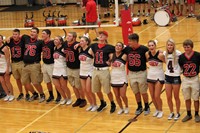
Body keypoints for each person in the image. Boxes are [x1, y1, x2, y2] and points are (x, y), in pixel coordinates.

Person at [88, 31, 116, 113]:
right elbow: (91, 53)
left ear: (106, 37)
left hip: (104, 70)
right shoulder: (93, 46)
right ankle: (102, 102)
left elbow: (118, 51)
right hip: (95, 69)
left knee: (107, 90)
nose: (100, 36)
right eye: (100, 34)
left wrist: (110, 60)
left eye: (103, 35)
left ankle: (112, 103)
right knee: (96, 89)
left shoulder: (109, 47)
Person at [123, 33, 150, 116]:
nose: (129, 43)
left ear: (135, 41)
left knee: (143, 92)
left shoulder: (144, 49)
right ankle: (139, 106)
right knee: (136, 91)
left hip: (141, 73)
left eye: (130, 41)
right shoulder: (127, 49)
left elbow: (148, 59)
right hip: (131, 73)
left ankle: (147, 106)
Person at [21, 27, 45, 103]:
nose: (32, 33)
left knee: (35, 82)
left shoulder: (40, 42)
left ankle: (42, 94)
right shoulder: (26, 38)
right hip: (25, 65)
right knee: (24, 82)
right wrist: (9, 37)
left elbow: (48, 43)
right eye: (31, 31)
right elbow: (18, 35)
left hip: (35, 65)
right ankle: (35, 94)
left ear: (37, 34)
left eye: (34, 32)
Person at [178, 39, 200, 122]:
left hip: (195, 79)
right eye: (185, 47)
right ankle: (188, 114)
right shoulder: (181, 57)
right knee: (187, 97)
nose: (186, 49)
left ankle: (197, 114)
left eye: (188, 47)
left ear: (192, 47)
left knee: (196, 98)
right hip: (186, 79)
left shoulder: (197, 55)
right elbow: (181, 67)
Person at [6, 29, 30, 101]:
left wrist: (22, 35)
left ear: (19, 35)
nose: (14, 36)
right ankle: (21, 93)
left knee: (24, 80)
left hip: (21, 62)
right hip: (13, 63)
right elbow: (5, 43)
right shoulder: (10, 42)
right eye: (13, 34)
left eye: (16, 34)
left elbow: (28, 37)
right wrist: (9, 37)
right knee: (17, 79)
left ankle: (27, 93)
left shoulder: (22, 41)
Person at [64, 32, 87, 108]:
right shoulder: (65, 44)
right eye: (67, 36)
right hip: (68, 67)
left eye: (69, 36)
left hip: (77, 68)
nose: (67, 37)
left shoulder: (77, 45)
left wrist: (79, 44)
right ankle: (78, 99)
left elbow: (86, 45)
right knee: (73, 85)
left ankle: (83, 99)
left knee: (78, 86)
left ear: (74, 38)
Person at [145, 40, 165, 118]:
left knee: (157, 96)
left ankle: (161, 110)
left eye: (152, 45)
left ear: (155, 46)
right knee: (152, 96)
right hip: (150, 76)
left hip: (159, 76)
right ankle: (157, 109)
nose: (151, 47)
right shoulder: (147, 54)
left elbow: (167, 62)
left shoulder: (160, 55)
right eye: (149, 46)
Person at [163, 39, 181, 120]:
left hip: (176, 77)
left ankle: (178, 112)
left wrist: (181, 71)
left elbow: (183, 62)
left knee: (176, 96)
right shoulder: (164, 53)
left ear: (173, 45)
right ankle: (171, 112)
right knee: (168, 96)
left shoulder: (178, 53)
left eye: (171, 45)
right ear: (166, 46)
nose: (169, 46)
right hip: (167, 76)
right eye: (168, 45)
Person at [41, 29, 61, 103]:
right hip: (44, 64)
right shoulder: (42, 42)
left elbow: (61, 44)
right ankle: (51, 95)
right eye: (42, 33)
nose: (42, 35)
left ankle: (59, 95)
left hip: (52, 65)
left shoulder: (52, 42)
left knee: (55, 82)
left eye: (44, 33)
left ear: (48, 35)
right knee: (47, 81)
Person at [78, 36, 98, 111]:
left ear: (87, 42)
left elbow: (96, 58)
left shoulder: (90, 49)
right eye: (80, 41)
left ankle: (95, 104)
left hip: (89, 71)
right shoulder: (79, 49)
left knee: (89, 90)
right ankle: (91, 104)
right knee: (84, 90)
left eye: (83, 41)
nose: (81, 42)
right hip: (82, 71)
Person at [52, 36, 72, 105]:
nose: (55, 41)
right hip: (55, 69)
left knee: (64, 86)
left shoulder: (64, 49)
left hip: (62, 69)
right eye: (54, 39)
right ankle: (64, 98)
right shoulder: (54, 48)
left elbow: (68, 56)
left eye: (57, 40)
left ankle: (69, 98)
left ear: (60, 41)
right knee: (57, 86)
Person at [111, 42, 129, 115]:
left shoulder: (124, 55)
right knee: (117, 95)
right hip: (114, 77)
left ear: (122, 48)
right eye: (117, 45)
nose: (118, 47)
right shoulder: (112, 55)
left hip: (122, 77)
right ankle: (121, 108)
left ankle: (127, 107)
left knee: (123, 95)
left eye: (119, 46)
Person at [0, 35, 14, 102]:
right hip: (0, 67)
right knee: (2, 82)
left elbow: (8, 59)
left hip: (6, 66)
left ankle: (12, 95)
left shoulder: (5, 48)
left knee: (7, 81)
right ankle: (7, 94)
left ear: (2, 40)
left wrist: (7, 69)